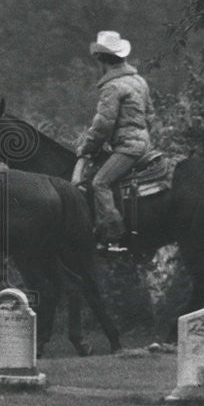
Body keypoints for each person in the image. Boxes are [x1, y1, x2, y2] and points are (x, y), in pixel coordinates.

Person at [72, 31, 155, 250]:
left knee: (100, 182)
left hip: (127, 147)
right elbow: (151, 115)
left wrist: (86, 147)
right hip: (144, 143)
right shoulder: (138, 81)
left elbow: (103, 125)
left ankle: (112, 235)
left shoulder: (112, 87)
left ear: (102, 60)